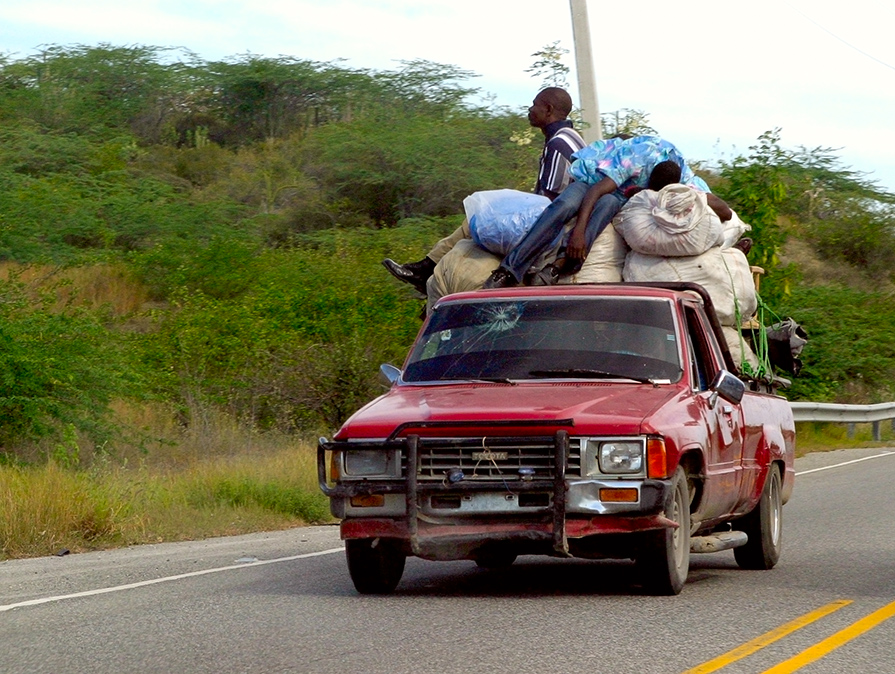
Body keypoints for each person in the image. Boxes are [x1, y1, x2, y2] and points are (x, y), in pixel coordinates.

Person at [382, 87, 586, 293]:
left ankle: (426, 269)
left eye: (535, 105)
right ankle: (427, 268)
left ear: (548, 109)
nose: (530, 109)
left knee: (479, 221)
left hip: (552, 226)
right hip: (557, 219)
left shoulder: (558, 144)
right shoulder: (571, 136)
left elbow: (547, 202)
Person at [483, 135, 732, 288]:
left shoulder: (684, 179)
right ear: (647, 176)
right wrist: (578, 233)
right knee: (565, 206)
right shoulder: (637, 159)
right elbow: (595, 191)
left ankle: (560, 265)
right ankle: (508, 270)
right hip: (593, 180)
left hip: (614, 197)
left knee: (609, 206)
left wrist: (695, 198)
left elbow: (725, 212)